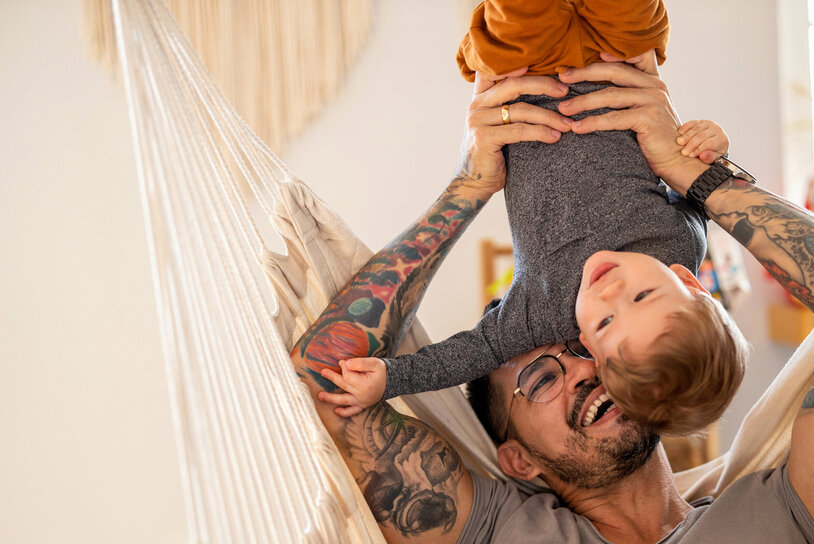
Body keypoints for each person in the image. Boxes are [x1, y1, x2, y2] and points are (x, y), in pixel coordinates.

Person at [291, 59, 814, 544]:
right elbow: (326, 375)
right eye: (540, 377)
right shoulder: (482, 543)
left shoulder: (791, 518)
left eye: (591, 344)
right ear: (518, 460)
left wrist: (692, 175)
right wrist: (471, 186)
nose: (581, 367)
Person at [315, 7, 744, 439]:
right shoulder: (681, 246)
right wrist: (711, 148)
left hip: (522, 73)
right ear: (687, 282)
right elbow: (699, 186)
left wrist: (391, 379)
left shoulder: (545, 311)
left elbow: (476, 352)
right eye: (643, 295)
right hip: (615, 59)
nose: (611, 291)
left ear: (590, 349)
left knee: (519, 11)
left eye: (606, 323)